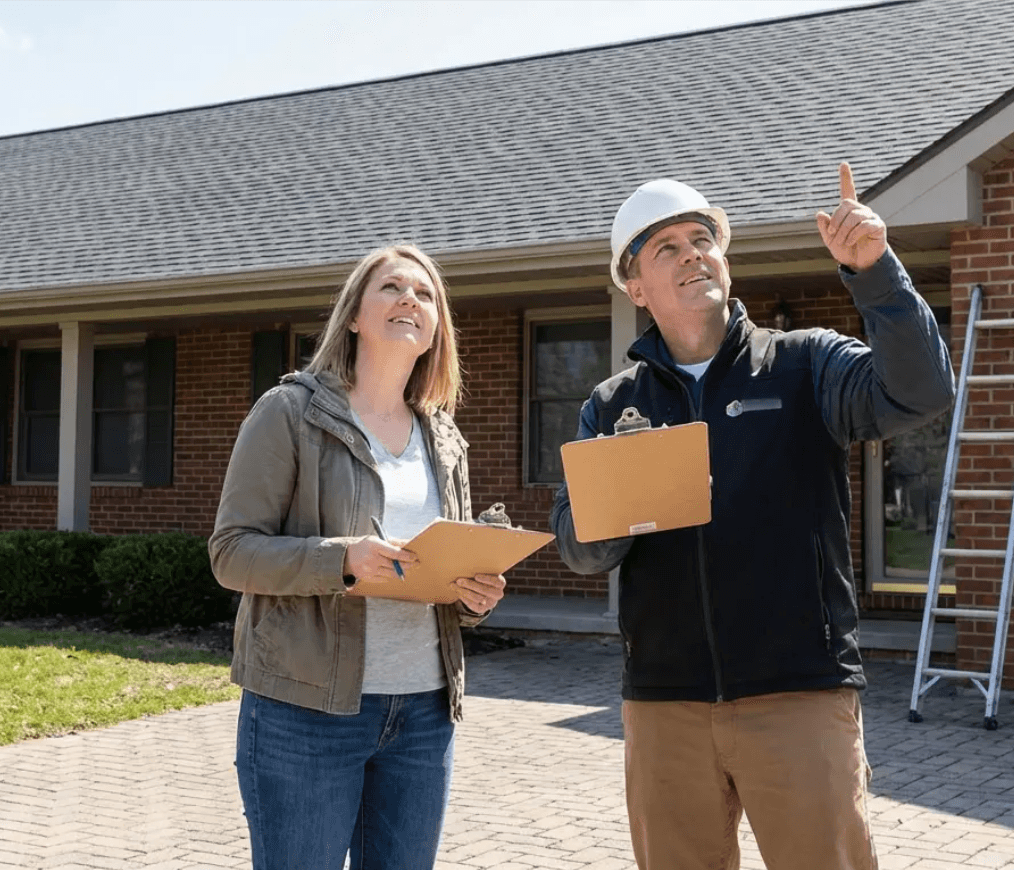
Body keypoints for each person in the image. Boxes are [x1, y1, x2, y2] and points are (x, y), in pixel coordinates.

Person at [551, 164, 955, 870]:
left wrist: (876, 272)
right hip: (664, 707)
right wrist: (626, 498)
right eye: (666, 248)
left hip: (799, 695)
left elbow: (918, 393)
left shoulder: (805, 365)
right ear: (636, 287)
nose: (691, 254)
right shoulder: (612, 406)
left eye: (702, 238)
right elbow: (578, 547)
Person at [209, 243, 507, 870]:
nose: (411, 300)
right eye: (392, 288)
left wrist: (473, 594)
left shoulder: (444, 438)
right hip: (307, 713)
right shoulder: (289, 413)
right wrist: (342, 560)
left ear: (436, 329)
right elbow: (232, 553)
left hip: (425, 714)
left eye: (426, 294)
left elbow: (437, 573)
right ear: (353, 315)